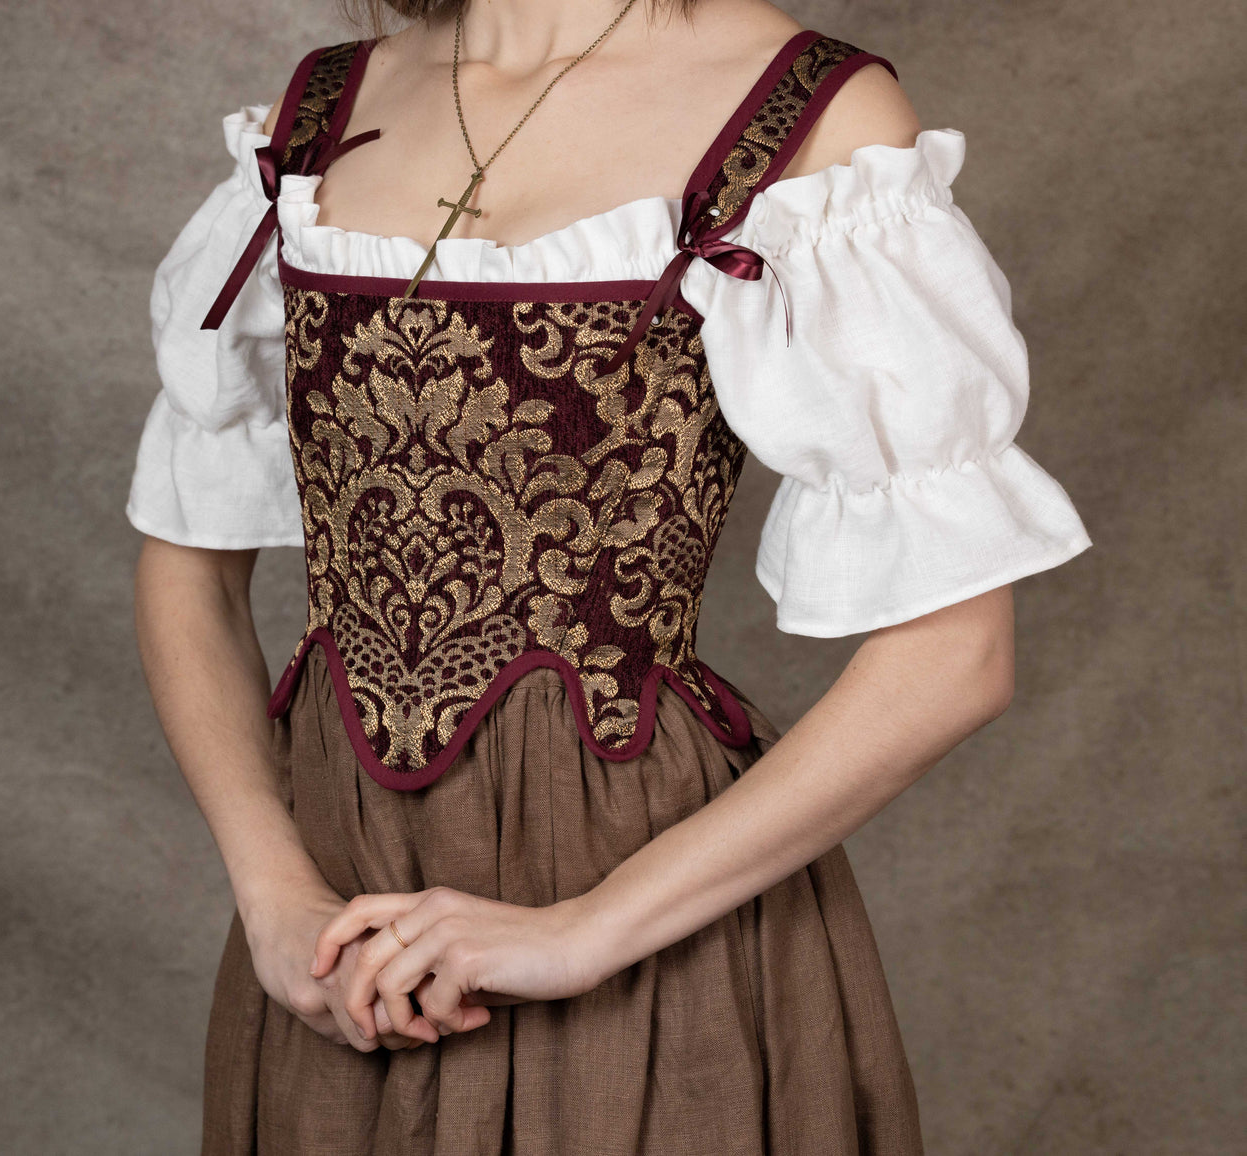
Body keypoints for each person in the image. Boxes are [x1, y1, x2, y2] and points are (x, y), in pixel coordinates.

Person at [127, 0, 1093, 1151]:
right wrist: (275, 894)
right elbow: (184, 563)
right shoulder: (319, 113)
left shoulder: (804, 116)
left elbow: (954, 657)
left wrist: (581, 931)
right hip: (333, 911)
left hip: (629, 892)